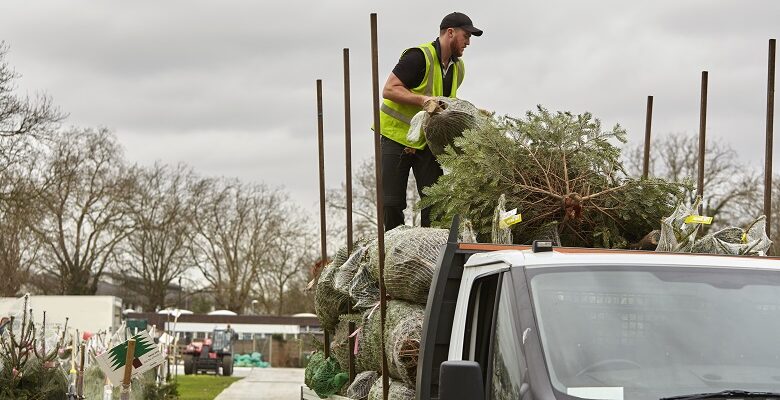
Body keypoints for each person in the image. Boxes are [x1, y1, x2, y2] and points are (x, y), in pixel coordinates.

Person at [378, 12, 483, 231]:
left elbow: (446, 103)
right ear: (450, 33)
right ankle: (392, 249)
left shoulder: (457, 68)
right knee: (391, 203)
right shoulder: (418, 57)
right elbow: (389, 89)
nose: (468, 42)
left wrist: (469, 112)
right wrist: (422, 100)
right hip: (396, 137)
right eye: (466, 36)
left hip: (428, 142)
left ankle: (431, 252)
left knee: (435, 202)